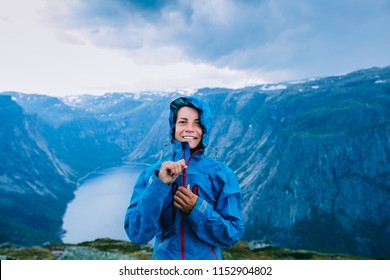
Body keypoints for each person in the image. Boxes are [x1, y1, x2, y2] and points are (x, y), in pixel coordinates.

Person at [124, 96, 244, 260]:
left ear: (205, 130)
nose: (190, 128)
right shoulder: (153, 174)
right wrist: (158, 185)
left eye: (197, 123)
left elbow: (233, 233)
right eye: (182, 122)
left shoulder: (222, 175)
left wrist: (198, 209)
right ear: (173, 127)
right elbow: (137, 233)